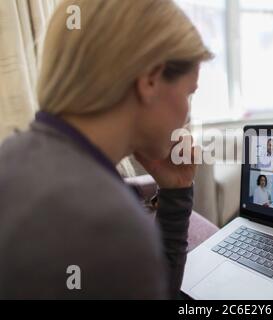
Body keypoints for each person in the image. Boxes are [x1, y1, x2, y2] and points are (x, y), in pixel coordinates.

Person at [0, 0, 212, 299]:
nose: (187, 116)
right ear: (151, 79)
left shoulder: (13, 152)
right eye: (189, 93)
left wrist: (175, 194)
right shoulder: (110, 225)